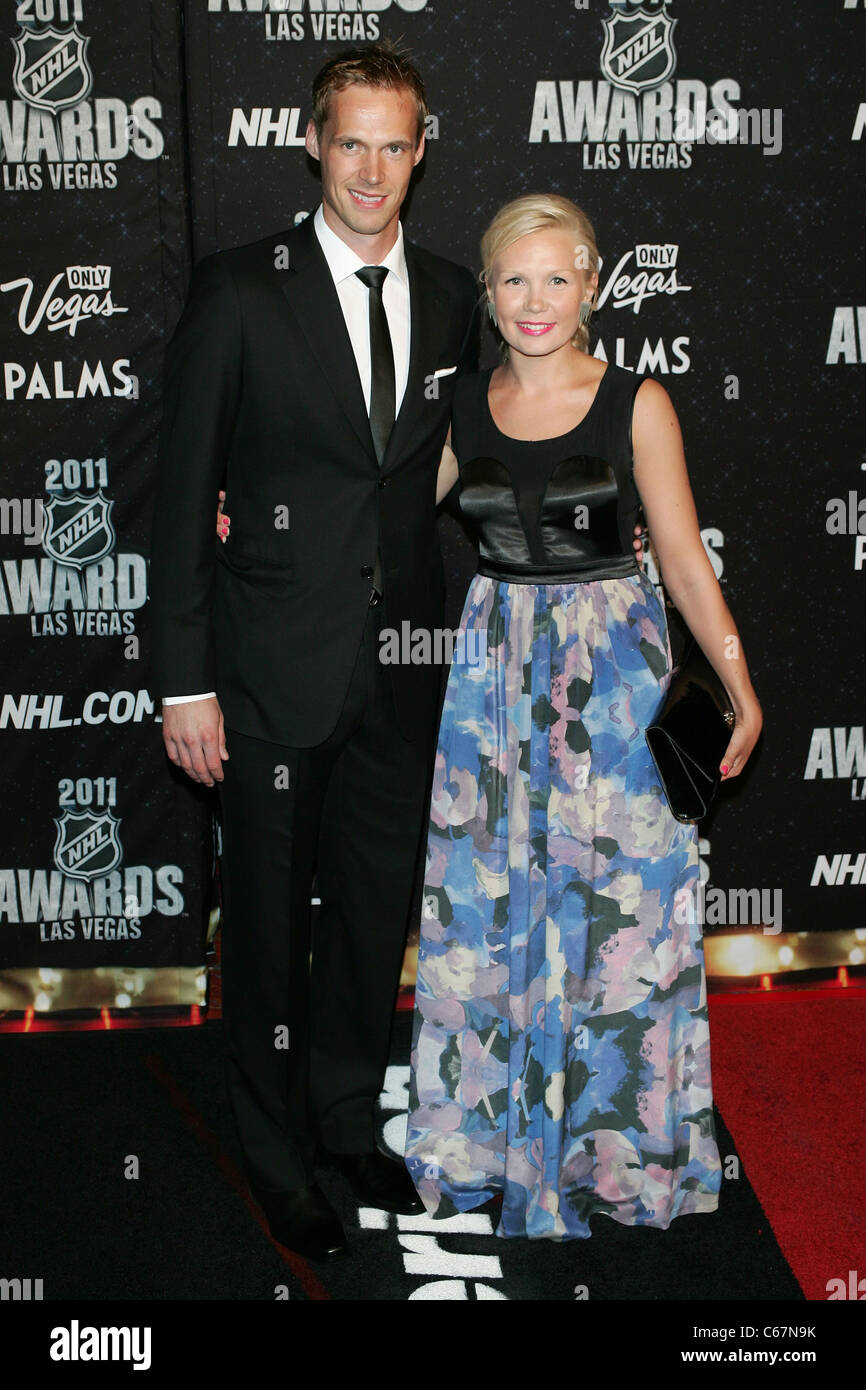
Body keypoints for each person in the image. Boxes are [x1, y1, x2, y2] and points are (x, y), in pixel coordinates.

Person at [149, 42, 482, 1262]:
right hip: (267, 673)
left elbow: (437, 467)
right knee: (274, 926)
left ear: (421, 149)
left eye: (397, 143)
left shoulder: (451, 295)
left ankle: (346, 1115)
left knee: (366, 918)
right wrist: (186, 677)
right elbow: (183, 497)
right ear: (310, 142)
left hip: (400, 668)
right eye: (352, 141)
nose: (373, 168)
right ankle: (274, 1148)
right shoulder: (242, 288)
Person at [403, 193, 763, 1240]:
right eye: (512, 279)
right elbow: (370, 506)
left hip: (613, 683)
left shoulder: (636, 402)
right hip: (494, 687)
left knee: (620, 925)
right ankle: (493, 1145)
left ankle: (619, 1153)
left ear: (590, 287)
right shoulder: (459, 407)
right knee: (496, 915)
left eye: (555, 277)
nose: (533, 300)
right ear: (487, 291)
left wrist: (738, 681)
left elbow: (685, 562)